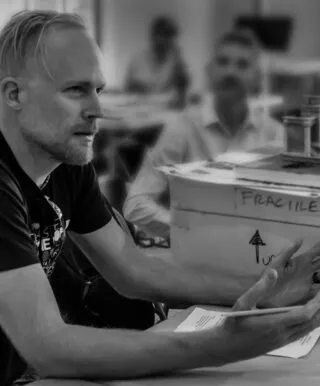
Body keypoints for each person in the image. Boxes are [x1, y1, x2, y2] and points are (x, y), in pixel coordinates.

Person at [1, 10, 320, 386]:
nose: (97, 110)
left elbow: (135, 271)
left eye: (98, 90)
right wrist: (222, 345)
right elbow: (49, 345)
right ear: (14, 94)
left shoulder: (66, 161)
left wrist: (267, 290)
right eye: (75, 90)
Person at [123, 29, 284, 239]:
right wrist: (191, 231)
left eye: (242, 64)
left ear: (257, 78)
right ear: (210, 71)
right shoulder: (182, 128)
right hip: (196, 255)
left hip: (259, 253)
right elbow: (136, 205)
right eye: (223, 62)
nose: (230, 72)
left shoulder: (274, 135)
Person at [125, 15, 190, 108]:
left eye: (170, 36)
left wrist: (179, 61)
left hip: (166, 109)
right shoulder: (137, 60)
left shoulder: (176, 61)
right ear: (153, 36)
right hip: (139, 108)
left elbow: (184, 87)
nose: (166, 41)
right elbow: (128, 89)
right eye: (163, 35)